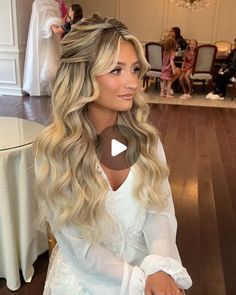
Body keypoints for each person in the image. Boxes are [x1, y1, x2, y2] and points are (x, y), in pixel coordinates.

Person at [34, 13, 192, 295]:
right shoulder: (57, 151)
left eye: (134, 69)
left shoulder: (146, 141)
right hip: (87, 280)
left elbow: (160, 211)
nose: (132, 83)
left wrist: (158, 267)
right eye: (116, 70)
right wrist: (140, 283)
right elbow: (79, 247)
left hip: (148, 271)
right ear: (83, 75)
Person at [23, 0, 62, 96]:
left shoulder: (53, 4)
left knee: (48, 59)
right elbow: (36, 22)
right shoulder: (38, 3)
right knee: (46, 59)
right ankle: (42, 85)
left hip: (49, 36)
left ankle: (48, 84)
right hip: (42, 36)